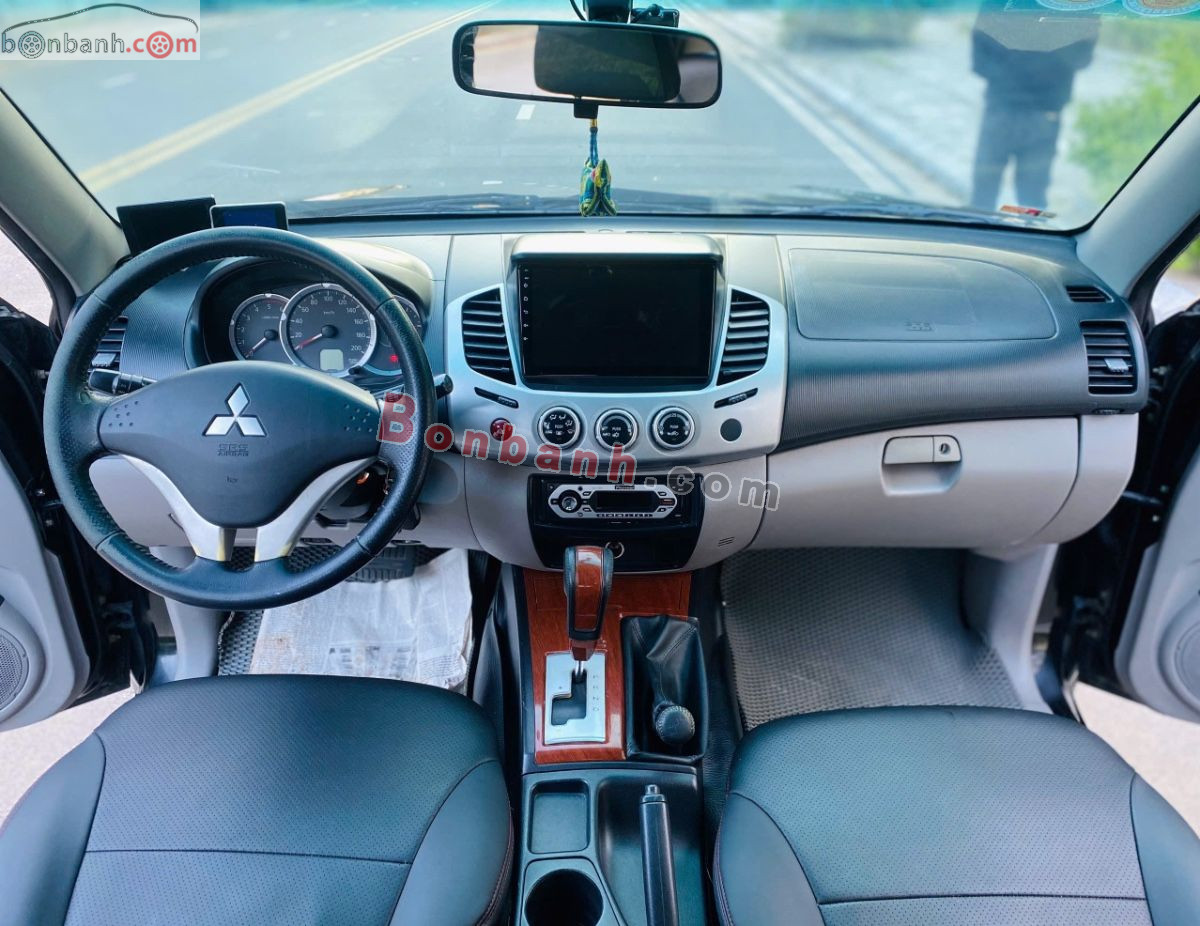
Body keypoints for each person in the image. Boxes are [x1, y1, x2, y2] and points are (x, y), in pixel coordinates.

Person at [970, 1, 1100, 212]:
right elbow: (1082, 59)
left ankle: (979, 228)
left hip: (1001, 107)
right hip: (1045, 113)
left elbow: (979, 63)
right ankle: (1027, 228)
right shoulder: (1079, 5)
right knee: (1033, 200)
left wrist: (1011, 69)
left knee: (982, 196)